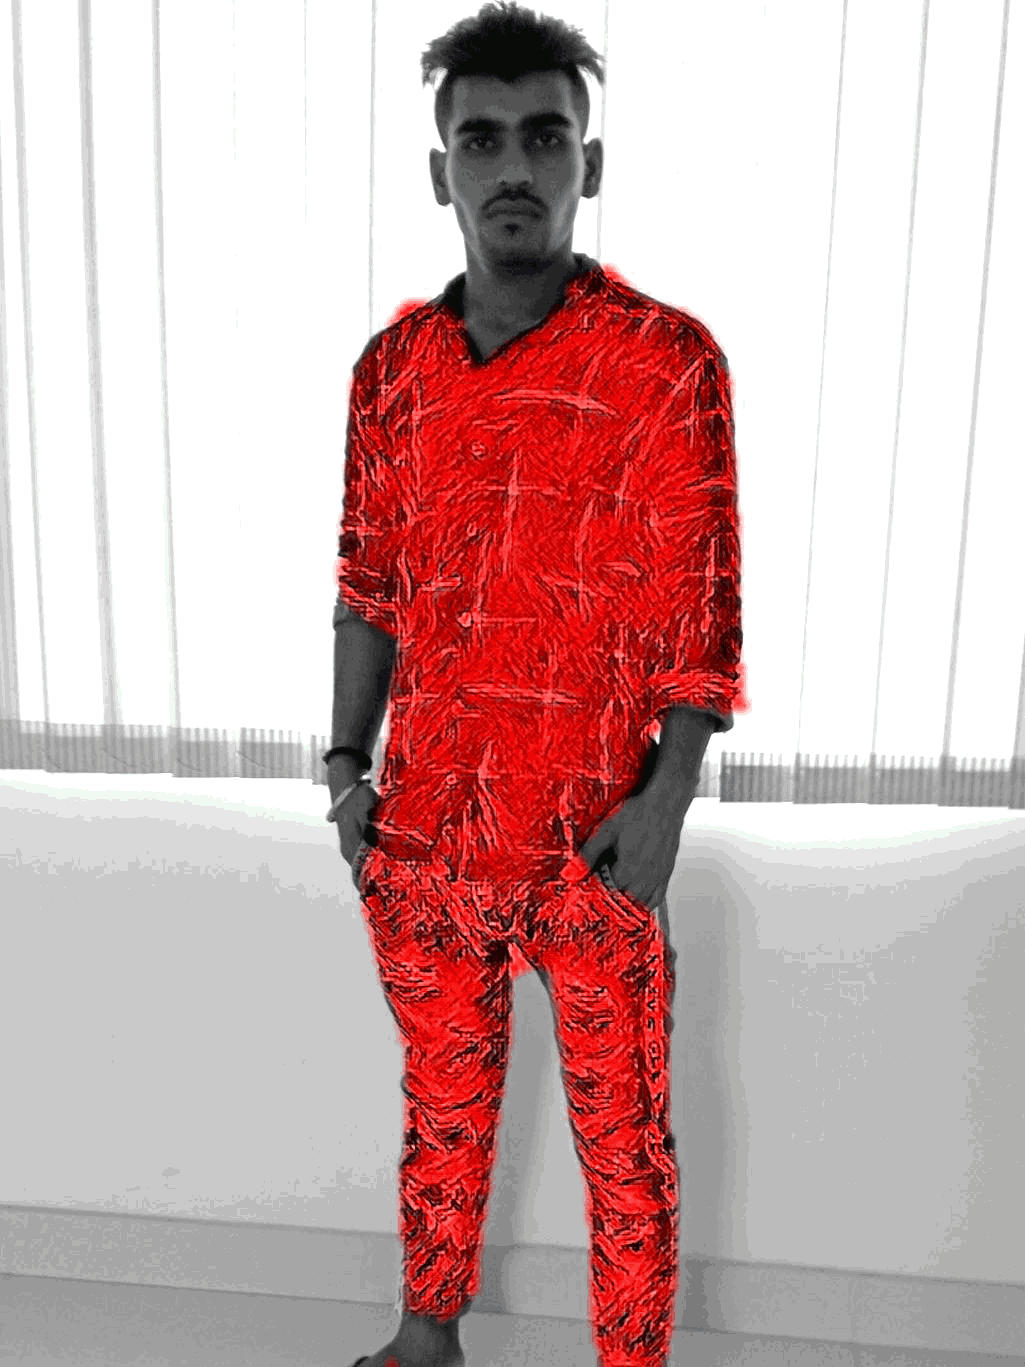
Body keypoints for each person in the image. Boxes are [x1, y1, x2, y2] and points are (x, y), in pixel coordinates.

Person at [327, 5, 748, 1365]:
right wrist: (346, 772)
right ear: (439, 170)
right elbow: (368, 586)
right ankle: (425, 1340)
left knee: (625, 1140)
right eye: (483, 139)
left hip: (595, 837)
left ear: (590, 163)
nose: (515, 165)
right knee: (442, 1107)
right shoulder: (392, 373)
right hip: (429, 831)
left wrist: (667, 800)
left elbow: (702, 608)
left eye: (546, 137)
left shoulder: (668, 363)